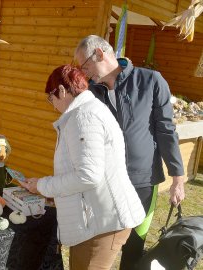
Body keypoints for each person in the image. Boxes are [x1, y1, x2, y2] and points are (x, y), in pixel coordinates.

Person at [74, 35, 185, 269]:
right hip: (106, 182)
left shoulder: (150, 80)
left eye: (85, 66)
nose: (85, 73)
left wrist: (178, 178)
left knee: (134, 244)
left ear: (100, 54)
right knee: (103, 243)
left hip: (143, 181)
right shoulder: (92, 93)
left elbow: (166, 130)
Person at [21, 64, 146, 270]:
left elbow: (88, 175)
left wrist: (43, 186)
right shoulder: (86, 112)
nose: (52, 106)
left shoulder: (83, 117)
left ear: (61, 90)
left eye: (50, 98)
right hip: (99, 220)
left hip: (102, 224)